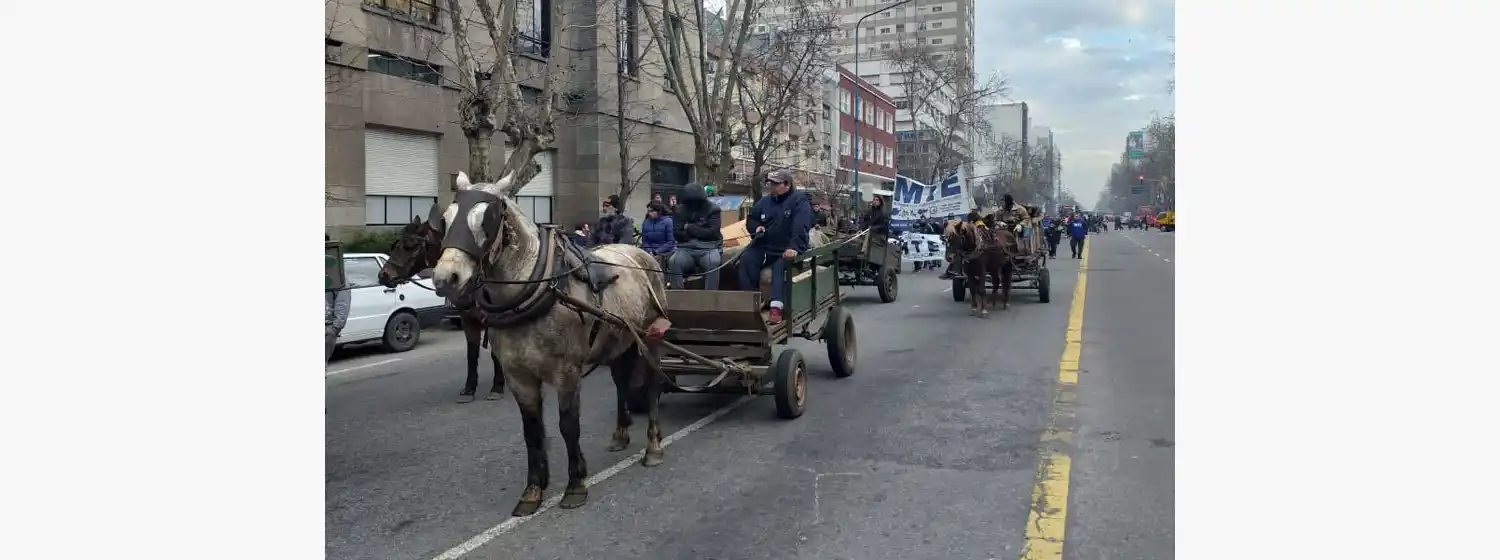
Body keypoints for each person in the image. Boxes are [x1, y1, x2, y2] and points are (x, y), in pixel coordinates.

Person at [741, 169, 813, 325]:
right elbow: (751, 219)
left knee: (780, 266)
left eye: (775, 183)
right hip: (765, 246)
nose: (771, 186)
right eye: (770, 183)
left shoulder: (799, 202)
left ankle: (776, 307)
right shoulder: (764, 202)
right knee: (747, 258)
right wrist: (756, 228)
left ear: (787, 185)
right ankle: (750, 301)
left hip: (785, 248)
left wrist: (794, 247)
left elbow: (800, 227)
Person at [669, 182, 724, 289]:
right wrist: (700, 232)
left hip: (709, 248)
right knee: (674, 261)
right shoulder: (680, 210)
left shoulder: (713, 209)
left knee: (713, 262)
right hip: (686, 249)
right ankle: (678, 298)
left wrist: (689, 228)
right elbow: (677, 234)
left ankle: (710, 299)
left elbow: (712, 233)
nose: (693, 204)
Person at [639, 201, 676, 265]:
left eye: (652, 211)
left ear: (659, 211)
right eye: (648, 211)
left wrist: (657, 252)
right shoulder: (646, 222)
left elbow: (670, 242)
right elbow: (645, 241)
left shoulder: (668, 221)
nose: (649, 213)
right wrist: (650, 251)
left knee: (656, 262)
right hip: (650, 252)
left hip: (665, 252)